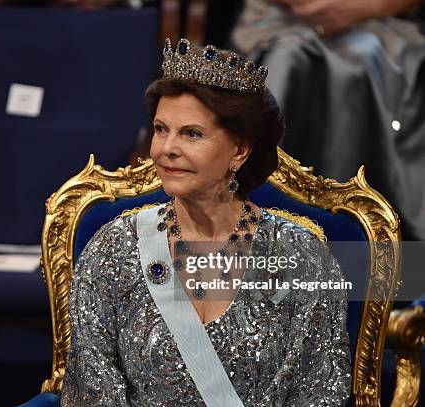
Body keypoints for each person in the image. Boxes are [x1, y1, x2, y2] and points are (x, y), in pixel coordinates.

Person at [60, 38, 351, 406]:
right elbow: (91, 390)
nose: (166, 148)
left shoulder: (302, 256)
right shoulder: (114, 249)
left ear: (240, 150)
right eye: (161, 129)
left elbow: (321, 393)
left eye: (192, 134)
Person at [232, 0, 425, 241]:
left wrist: (366, 7)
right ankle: (259, 215)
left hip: (383, 23)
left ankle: (356, 227)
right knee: (289, 62)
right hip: (283, 22)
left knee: (358, 63)